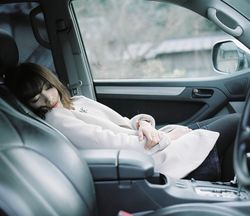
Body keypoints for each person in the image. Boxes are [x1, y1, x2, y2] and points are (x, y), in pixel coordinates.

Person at [4, 62, 239, 181]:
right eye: (36, 98)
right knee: (235, 122)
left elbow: (123, 123)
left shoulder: (75, 101)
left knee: (231, 123)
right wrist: (168, 137)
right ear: (26, 104)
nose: (48, 98)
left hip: (152, 141)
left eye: (48, 87)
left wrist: (144, 124)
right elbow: (114, 144)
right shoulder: (57, 118)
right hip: (150, 157)